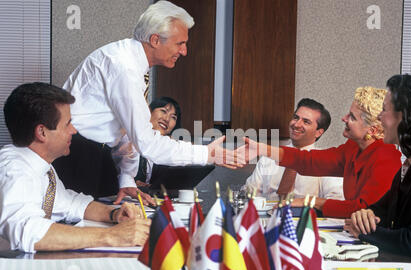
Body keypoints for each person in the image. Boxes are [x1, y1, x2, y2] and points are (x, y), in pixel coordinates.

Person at [53, 1, 242, 206]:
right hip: (79, 157)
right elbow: (147, 143)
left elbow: (125, 130)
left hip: (95, 155)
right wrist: (207, 154)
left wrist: (126, 178)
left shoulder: (131, 62)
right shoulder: (124, 67)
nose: (185, 51)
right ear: (155, 40)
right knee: (84, 230)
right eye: (180, 43)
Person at [0, 82, 151, 253]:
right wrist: (111, 236)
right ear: (42, 133)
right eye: (67, 124)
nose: (74, 130)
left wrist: (114, 214)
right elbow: (29, 231)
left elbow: (71, 204)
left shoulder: (42, 168)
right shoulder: (13, 169)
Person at [243, 86, 402, 218]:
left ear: (372, 130)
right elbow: (310, 162)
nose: (344, 119)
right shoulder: (353, 147)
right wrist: (261, 149)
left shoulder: (387, 156)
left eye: (352, 117)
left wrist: (310, 201)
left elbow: (364, 209)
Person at [345, 74, 411, 270]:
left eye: (384, 110)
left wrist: (365, 232)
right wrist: (365, 215)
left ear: (406, 116)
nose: (378, 117)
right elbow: (379, 211)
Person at [242, 98, 344, 207]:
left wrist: (305, 202)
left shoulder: (325, 162)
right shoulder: (269, 158)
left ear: (318, 132)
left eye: (306, 122)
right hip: (268, 219)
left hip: (305, 221)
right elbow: (248, 194)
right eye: (296, 118)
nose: (296, 124)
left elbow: (336, 201)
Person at [135, 96, 181, 186]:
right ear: (149, 111)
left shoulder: (169, 149)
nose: (167, 119)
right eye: (163, 111)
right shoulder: (132, 137)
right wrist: (132, 183)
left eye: (173, 117)